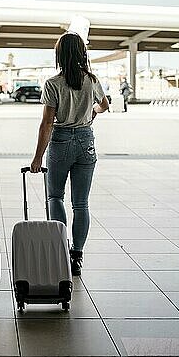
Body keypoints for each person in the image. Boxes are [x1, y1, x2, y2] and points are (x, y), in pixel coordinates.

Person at [30, 32, 109, 276]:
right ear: (82, 54)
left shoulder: (53, 83)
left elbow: (47, 124)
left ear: (60, 55)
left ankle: (61, 249)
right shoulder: (92, 80)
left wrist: (37, 158)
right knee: (81, 203)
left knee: (55, 197)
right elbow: (104, 106)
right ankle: (77, 255)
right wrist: (91, 113)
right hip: (86, 141)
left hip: (61, 142)